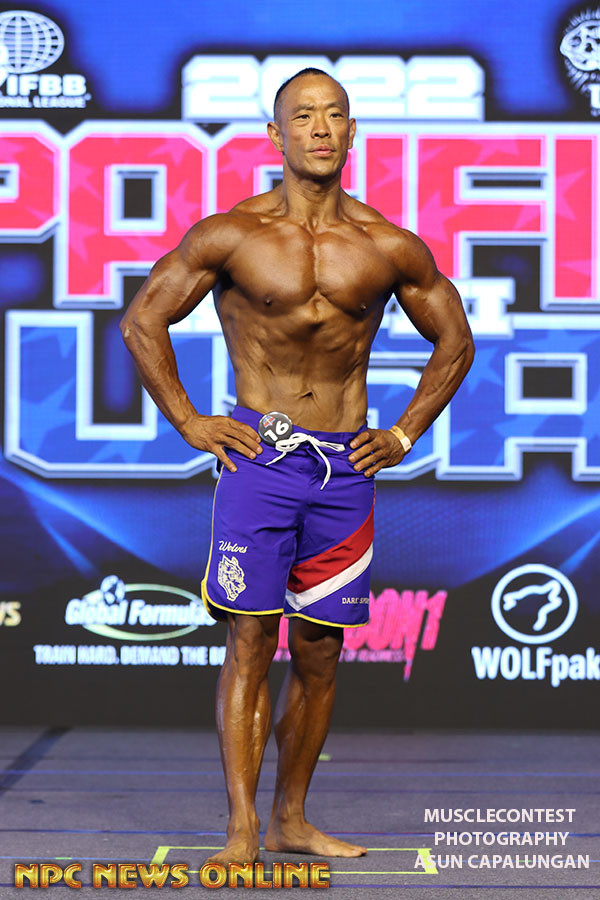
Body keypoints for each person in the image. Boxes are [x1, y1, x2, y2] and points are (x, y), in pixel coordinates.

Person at [120, 67, 474, 865]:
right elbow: (144, 320)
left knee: (319, 653)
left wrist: (406, 432)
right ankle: (242, 829)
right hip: (262, 461)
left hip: (344, 473)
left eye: (334, 115)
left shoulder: (387, 245)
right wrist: (189, 420)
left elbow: (456, 339)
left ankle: (291, 818)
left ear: (352, 133)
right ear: (274, 136)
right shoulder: (232, 235)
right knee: (250, 639)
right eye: (303, 116)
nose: (320, 128)